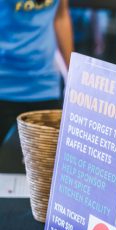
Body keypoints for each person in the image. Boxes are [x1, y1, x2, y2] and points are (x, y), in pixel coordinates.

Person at [0, 0, 73, 145]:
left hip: (45, 84)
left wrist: (74, 73)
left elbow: (61, 16)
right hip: (4, 84)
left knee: (49, 160)